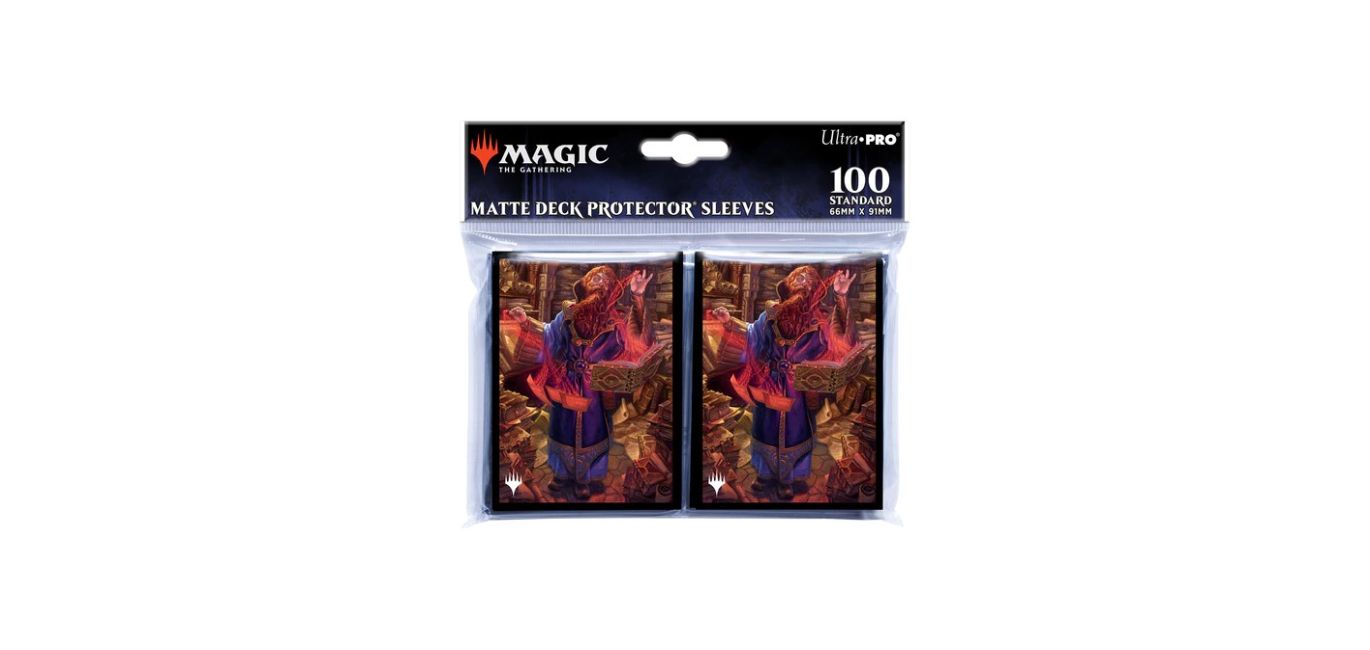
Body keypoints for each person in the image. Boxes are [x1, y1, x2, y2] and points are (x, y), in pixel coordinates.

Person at [712, 265, 855, 500]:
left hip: (797, 387)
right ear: (787, 290)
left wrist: (841, 296)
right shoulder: (771, 315)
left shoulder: (820, 322)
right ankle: (765, 476)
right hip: (769, 383)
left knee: (795, 431)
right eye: (798, 282)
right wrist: (730, 322)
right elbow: (752, 335)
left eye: (807, 286)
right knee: (764, 428)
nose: (802, 289)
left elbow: (840, 341)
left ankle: (788, 479)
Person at [510, 266, 653, 499]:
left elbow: (638, 343)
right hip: (565, 382)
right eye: (594, 278)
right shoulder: (567, 314)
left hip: (594, 387)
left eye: (605, 280)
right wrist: (526, 322)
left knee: (592, 430)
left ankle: (584, 479)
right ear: (584, 286)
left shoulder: (617, 321)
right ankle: (562, 475)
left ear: (611, 290)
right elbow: (549, 335)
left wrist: (638, 295)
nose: (599, 282)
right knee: (561, 428)